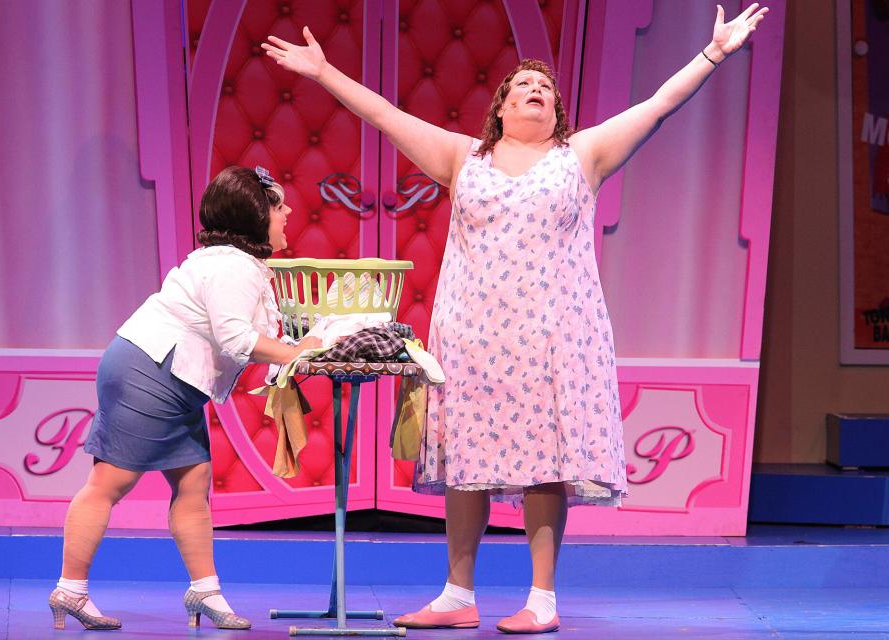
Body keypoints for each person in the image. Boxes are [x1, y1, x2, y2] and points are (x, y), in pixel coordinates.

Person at [264, 2, 767, 634]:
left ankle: (542, 598)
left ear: (556, 114)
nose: (535, 91)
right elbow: (385, 115)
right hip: (472, 337)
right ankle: (456, 595)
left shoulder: (581, 156)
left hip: (554, 338)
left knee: (546, 466)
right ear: (500, 108)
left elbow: (659, 105)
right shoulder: (461, 158)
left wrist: (714, 52)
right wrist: (323, 73)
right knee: (466, 462)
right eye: (523, 86)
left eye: (546, 90)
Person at [48, 166, 320, 631]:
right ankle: (69, 591)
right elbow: (237, 339)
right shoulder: (231, 265)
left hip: (168, 377)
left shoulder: (239, 263)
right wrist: (296, 353)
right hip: (150, 373)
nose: (287, 212)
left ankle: (205, 591)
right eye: (278, 206)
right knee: (109, 483)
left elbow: (257, 332)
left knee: (193, 485)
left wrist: (299, 347)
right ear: (256, 217)